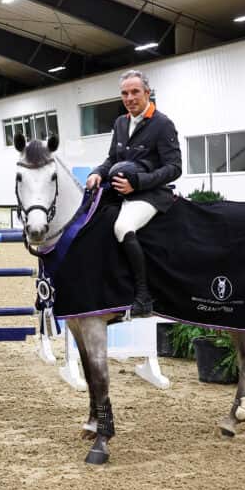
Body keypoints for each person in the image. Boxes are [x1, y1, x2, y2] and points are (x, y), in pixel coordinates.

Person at [86, 69, 182, 317]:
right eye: (125, 93)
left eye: (135, 92)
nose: (129, 98)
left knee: (122, 227)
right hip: (121, 192)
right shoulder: (120, 122)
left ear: (147, 93)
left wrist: (138, 183)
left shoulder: (162, 124)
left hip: (151, 194)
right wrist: (97, 173)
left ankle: (143, 296)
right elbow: (112, 159)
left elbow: (174, 168)